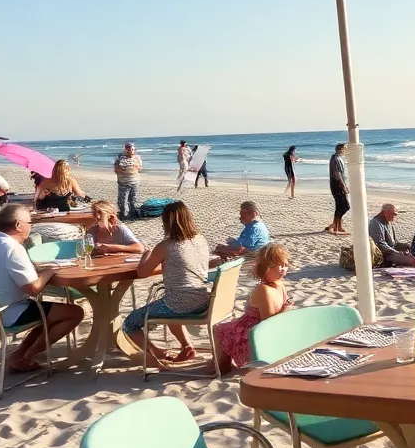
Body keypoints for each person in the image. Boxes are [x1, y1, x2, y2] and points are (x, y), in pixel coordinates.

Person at [0, 204, 84, 373]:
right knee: (74, 313)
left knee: (49, 314)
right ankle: (25, 357)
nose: (31, 226)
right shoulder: (12, 248)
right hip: (5, 313)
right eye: (30, 222)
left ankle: (20, 354)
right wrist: (51, 270)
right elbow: (34, 288)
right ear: (18, 225)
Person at [126, 201, 212, 366]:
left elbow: (142, 272)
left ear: (166, 223)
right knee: (171, 310)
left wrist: (146, 255)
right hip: (202, 299)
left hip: (179, 303)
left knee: (129, 323)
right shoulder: (200, 240)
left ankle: (155, 352)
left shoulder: (166, 246)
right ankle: (187, 347)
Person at [213, 243, 294, 373]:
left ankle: (222, 367)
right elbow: (271, 319)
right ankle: (223, 366)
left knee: (221, 330)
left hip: (253, 333)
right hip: (256, 328)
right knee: (222, 329)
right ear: (266, 267)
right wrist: (286, 309)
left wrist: (285, 310)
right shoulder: (266, 289)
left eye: (285, 265)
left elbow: (267, 324)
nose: (284, 269)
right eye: (279, 265)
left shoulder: (274, 286)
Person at [113, 142, 143, 220]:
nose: (130, 150)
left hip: (134, 182)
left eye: (132, 149)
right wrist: (122, 168)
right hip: (123, 182)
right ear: (125, 149)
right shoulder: (119, 158)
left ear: (134, 149)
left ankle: (134, 214)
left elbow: (140, 169)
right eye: (128, 149)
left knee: (134, 200)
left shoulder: (137, 158)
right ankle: (124, 215)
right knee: (123, 200)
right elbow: (116, 170)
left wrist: (134, 166)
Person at [326, 143, 349, 235]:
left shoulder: (337, 158)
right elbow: (337, 174)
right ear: (340, 150)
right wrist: (344, 186)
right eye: (344, 150)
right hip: (337, 184)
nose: (345, 151)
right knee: (343, 207)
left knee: (342, 206)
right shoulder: (335, 159)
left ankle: (337, 225)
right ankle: (336, 227)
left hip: (338, 184)